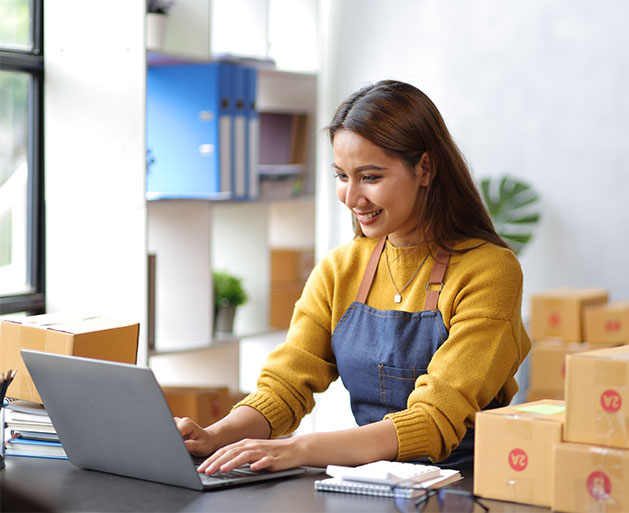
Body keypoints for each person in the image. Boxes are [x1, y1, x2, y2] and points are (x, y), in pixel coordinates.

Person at [176, 79, 531, 474]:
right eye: (342, 176)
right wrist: (216, 435)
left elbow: (433, 420)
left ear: (425, 168)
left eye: (371, 177)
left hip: (465, 486)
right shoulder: (340, 269)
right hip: (374, 482)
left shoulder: (489, 272)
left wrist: (298, 448)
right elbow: (285, 385)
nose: (351, 197)